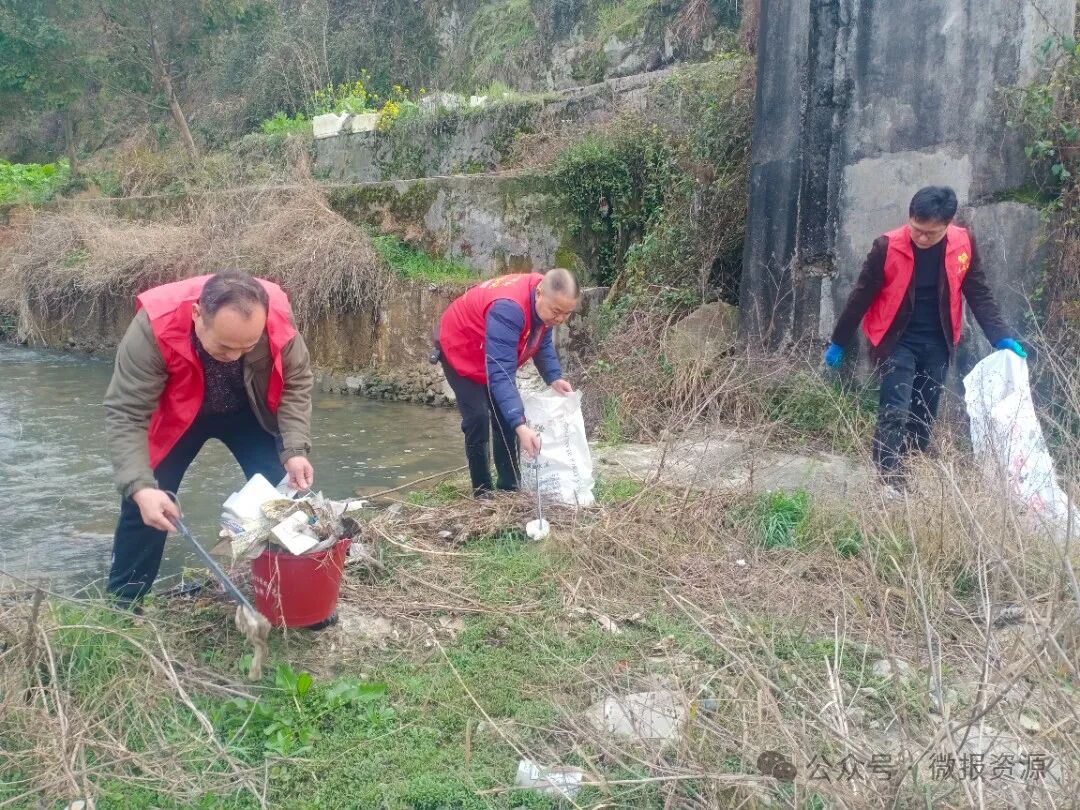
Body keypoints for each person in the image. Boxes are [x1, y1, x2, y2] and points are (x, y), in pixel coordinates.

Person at [104, 271, 314, 604]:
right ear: (197, 315)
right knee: (146, 500)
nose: (236, 356)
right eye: (225, 346)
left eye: (248, 347)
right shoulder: (154, 326)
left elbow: (296, 383)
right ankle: (124, 605)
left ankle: (295, 598)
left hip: (248, 411)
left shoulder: (275, 317)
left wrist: (295, 448)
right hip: (178, 414)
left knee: (285, 498)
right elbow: (127, 412)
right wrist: (140, 488)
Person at [823, 185, 1026, 491]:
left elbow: (978, 292)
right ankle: (888, 481)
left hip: (938, 341)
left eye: (930, 233)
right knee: (894, 409)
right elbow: (860, 296)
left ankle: (908, 471)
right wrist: (839, 340)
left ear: (948, 224)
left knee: (924, 413)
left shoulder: (963, 243)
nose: (921, 238)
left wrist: (1000, 337)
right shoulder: (886, 246)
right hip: (896, 340)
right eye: (916, 229)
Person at [436, 268, 581, 497]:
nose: (560, 319)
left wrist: (554, 376)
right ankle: (482, 492)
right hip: (460, 347)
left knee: (505, 416)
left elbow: (541, 339)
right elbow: (501, 374)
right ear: (539, 293)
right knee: (478, 418)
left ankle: (509, 489)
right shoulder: (509, 309)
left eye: (567, 314)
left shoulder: (545, 304)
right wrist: (521, 426)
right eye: (556, 312)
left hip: (491, 349)